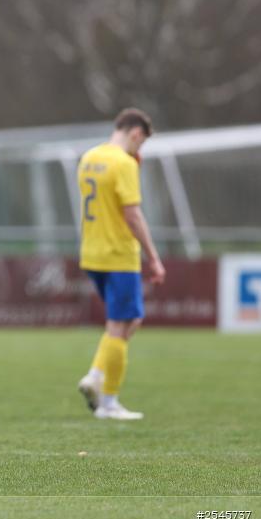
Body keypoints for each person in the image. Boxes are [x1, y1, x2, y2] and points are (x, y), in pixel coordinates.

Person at [76, 108, 166, 420]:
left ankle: (98, 376)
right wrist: (153, 257)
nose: (138, 151)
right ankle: (108, 400)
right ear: (135, 134)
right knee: (122, 323)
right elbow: (132, 214)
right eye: (140, 145)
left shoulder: (88, 158)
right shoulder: (124, 163)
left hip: (92, 253)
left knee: (127, 321)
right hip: (118, 254)